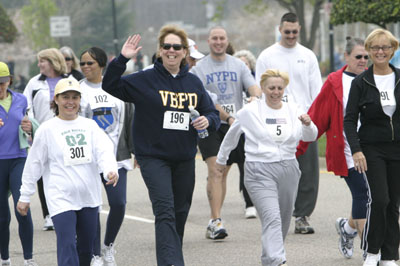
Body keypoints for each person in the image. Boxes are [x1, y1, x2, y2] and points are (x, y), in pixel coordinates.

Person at [102, 25, 220, 266]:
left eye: (177, 47)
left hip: (184, 157)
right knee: (164, 211)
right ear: (160, 50)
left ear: (185, 52)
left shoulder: (193, 83)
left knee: (179, 213)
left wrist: (207, 119)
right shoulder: (145, 80)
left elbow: (211, 112)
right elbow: (110, 85)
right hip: (153, 157)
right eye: (167, 46)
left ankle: (171, 258)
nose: (171, 51)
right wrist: (123, 58)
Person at [217, 69, 317, 266]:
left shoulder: (293, 109)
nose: (276, 92)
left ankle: (269, 259)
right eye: (271, 88)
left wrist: (308, 124)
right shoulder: (250, 111)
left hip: (288, 168)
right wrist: (221, 160)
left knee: (283, 220)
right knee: (272, 217)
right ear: (262, 88)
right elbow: (232, 135)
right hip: (259, 170)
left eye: (280, 88)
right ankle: (278, 260)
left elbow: (310, 136)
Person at [17, 78, 119, 266]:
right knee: (67, 244)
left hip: (88, 195)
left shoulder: (90, 126)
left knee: (86, 249)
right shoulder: (47, 129)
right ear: (56, 99)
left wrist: (110, 171)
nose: (70, 102)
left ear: (80, 100)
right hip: (60, 197)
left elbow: (103, 151)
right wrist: (25, 195)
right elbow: (34, 164)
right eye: (65, 97)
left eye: (75, 97)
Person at [297, 37, 369, 259]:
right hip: (348, 151)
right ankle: (370, 250)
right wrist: (298, 148)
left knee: (377, 197)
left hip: (375, 150)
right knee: (364, 195)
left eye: (366, 57)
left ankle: (347, 229)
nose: (363, 60)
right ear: (346, 57)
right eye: (358, 56)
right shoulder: (335, 81)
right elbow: (318, 113)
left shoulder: (375, 78)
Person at [191, 26, 261, 238]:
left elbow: (253, 86)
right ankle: (216, 221)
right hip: (211, 124)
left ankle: (215, 216)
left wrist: (255, 98)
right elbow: (209, 101)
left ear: (227, 41)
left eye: (222, 38)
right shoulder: (199, 69)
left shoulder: (238, 65)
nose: (218, 42)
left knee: (223, 173)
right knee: (216, 170)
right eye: (214, 38)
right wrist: (229, 117)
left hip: (235, 127)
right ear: (209, 41)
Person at [255, 12, 322, 234]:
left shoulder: (308, 56)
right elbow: (259, 89)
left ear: (299, 30)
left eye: (294, 32)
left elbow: (316, 92)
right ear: (280, 30)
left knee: (308, 171)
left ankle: (302, 216)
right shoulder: (267, 55)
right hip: (275, 120)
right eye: (287, 32)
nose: (291, 36)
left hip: (302, 121)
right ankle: (275, 213)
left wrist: (312, 120)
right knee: (276, 169)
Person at [344, 29, 400, 266]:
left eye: (385, 47)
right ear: (368, 50)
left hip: (397, 148)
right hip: (371, 149)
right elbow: (349, 120)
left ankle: (390, 256)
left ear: (392, 50)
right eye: (375, 48)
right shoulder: (361, 82)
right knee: (379, 199)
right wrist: (356, 150)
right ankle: (372, 251)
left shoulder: (399, 78)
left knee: (393, 203)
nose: (380, 52)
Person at [79, 46, 134, 266]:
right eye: (82, 63)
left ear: (102, 65)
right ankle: (94, 254)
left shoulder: (116, 87)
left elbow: (129, 118)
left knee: (118, 204)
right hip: (88, 159)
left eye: (89, 63)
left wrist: (134, 149)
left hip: (116, 157)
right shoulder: (78, 89)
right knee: (93, 206)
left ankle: (108, 246)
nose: (85, 67)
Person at [23, 48, 73, 231]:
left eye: (42, 61)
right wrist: (30, 129)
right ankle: (48, 215)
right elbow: (27, 107)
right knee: (45, 176)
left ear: (52, 61)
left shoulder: (69, 80)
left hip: (67, 136)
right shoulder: (34, 83)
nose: (39, 65)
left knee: (66, 173)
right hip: (42, 135)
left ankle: (67, 208)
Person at [0, 62, 37, 266]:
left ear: (9, 81)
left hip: (19, 158)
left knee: (22, 208)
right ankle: (5, 258)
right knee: (2, 217)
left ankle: (28, 259)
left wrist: (29, 126)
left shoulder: (21, 99)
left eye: (2, 82)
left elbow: (29, 126)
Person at [233, 49, 258, 218]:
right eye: (240, 64)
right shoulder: (232, 82)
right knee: (237, 166)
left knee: (250, 166)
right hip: (233, 127)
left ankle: (252, 201)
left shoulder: (256, 84)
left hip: (252, 132)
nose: (243, 66)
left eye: (246, 63)